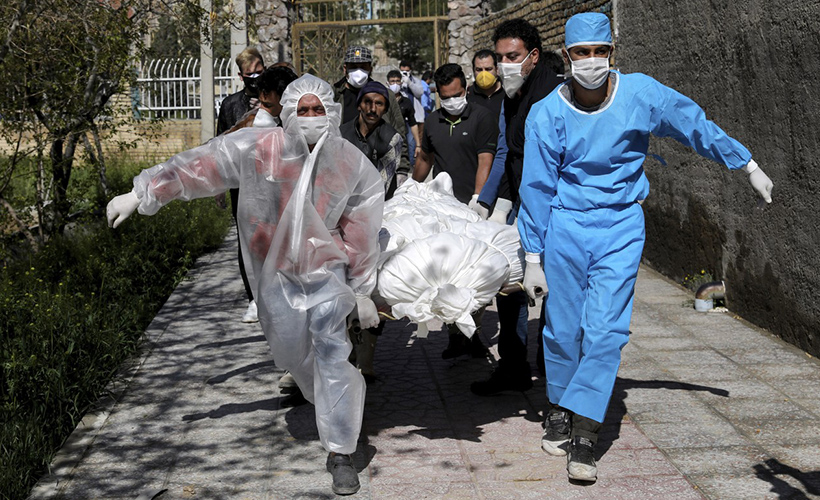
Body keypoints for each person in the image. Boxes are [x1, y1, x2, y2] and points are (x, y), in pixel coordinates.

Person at [518, 12, 774, 483]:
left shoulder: (641, 94)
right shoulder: (547, 113)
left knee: (606, 331)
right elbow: (536, 186)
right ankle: (558, 405)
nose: (592, 61)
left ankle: (585, 433)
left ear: (612, 53)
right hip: (566, 227)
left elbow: (693, 123)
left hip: (620, 224)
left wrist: (745, 162)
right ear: (567, 57)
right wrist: (532, 256)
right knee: (561, 329)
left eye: (600, 52)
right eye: (581, 53)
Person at [106, 74, 385, 496]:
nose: (312, 118)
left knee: (332, 351)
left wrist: (362, 290)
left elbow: (363, 220)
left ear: (332, 111)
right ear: (288, 112)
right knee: (291, 350)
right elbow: (201, 165)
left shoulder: (349, 161)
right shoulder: (262, 148)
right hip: (274, 273)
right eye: (304, 110)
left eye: (319, 110)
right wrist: (143, 193)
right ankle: (321, 395)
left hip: (326, 270)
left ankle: (341, 450)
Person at [471, 19, 563, 397]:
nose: (505, 64)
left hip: (557, 207)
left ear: (533, 56)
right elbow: (508, 153)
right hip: (520, 203)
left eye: (513, 56)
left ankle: (550, 363)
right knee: (509, 284)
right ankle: (513, 366)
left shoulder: (555, 96)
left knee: (555, 288)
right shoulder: (512, 93)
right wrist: (489, 204)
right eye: (501, 57)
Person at [412, 63, 498, 359]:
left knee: (475, 273)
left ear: (466, 89)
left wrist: (478, 199)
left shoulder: (482, 117)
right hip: (444, 209)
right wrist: (410, 188)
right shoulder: (433, 122)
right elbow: (426, 158)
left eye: (458, 94)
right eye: (446, 96)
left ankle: (472, 331)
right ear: (437, 94)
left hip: (476, 207)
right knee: (448, 274)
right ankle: (456, 335)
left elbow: (485, 160)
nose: (453, 101)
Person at [339, 81, 404, 382]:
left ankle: (366, 357)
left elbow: (379, 182)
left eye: (380, 104)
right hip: (337, 216)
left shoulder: (391, 139)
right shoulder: (339, 134)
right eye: (368, 102)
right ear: (360, 103)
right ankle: (343, 348)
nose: (373, 109)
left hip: (374, 218)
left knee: (372, 286)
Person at [215, 47, 265, 323]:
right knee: (247, 240)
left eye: (260, 71)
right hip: (242, 183)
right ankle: (254, 298)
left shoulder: (277, 100)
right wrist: (219, 185)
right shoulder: (231, 105)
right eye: (250, 74)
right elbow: (220, 147)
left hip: (273, 180)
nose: (256, 77)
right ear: (241, 76)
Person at [333, 46, 411, 181]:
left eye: (363, 66)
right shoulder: (333, 96)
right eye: (353, 66)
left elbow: (399, 132)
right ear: (345, 68)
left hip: (379, 169)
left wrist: (402, 169)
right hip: (342, 170)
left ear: (370, 68)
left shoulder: (387, 95)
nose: (358, 71)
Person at [387, 69, 421, 174]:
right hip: (385, 140)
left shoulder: (406, 102)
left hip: (402, 140)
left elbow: (413, 123)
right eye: (392, 81)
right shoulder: (382, 100)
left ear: (401, 83)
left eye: (397, 81)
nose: (395, 84)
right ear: (387, 83)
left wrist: (418, 145)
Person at [467, 49, 505, 120]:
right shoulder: (468, 95)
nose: (484, 74)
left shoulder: (507, 93)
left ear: (497, 70)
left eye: (488, 69)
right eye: (479, 70)